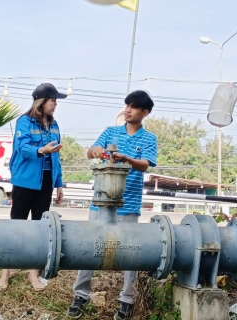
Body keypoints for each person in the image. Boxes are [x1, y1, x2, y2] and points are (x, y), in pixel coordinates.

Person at [67, 90, 157, 320]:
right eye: (126, 105)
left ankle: (127, 299)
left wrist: (126, 159)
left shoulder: (149, 139)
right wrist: (95, 150)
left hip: (128, 204)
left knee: (131, 254)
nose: (128, 110)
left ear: (144, 113)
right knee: (89, 248)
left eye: (133, 107)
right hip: (100, 203)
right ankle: (81, 294)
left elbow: (145, 165)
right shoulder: (110, 132)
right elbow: (90, 152)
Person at [0, 83, 66, 291]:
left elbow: (57, 156)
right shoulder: (24, 122)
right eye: (53, 100)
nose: (55, 104)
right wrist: (41, 150)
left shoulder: (54, 125)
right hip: (25, 180)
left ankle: (33, 274)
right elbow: (23, 148)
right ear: (41, 101)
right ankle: (5, 272)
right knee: (16, 225)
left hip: (46, 181)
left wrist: (59, 183)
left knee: (39, 227)